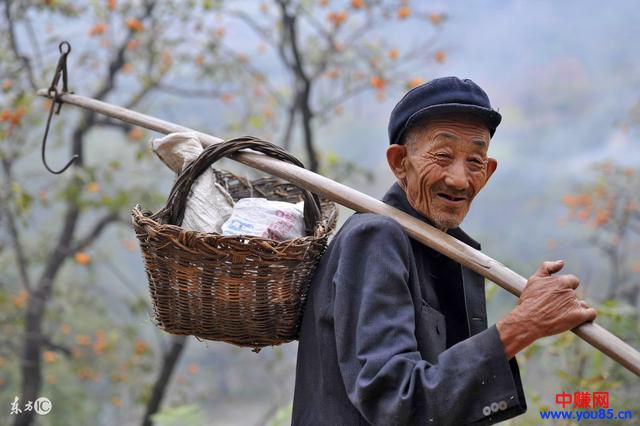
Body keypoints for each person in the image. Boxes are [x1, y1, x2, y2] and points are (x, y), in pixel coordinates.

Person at [291, 76, 597, 425]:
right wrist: (523, 325)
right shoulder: (376, 236)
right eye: (443, 155)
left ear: (489, 171)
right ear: (399, 162)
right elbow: (395, 401)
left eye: (475, 161)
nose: (459, 179)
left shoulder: (449, 249)